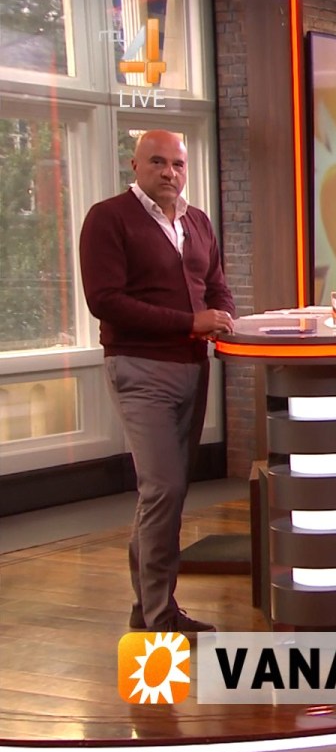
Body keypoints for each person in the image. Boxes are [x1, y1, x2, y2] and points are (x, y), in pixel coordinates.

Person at [78, 130, 235, 633]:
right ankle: (158, 616)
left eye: (178, 164)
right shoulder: (108, 218)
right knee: (163, 488)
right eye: (158, 162)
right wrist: (190, 322)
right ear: (136, 165)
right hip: (139, 366)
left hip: (193, 367)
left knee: (165, 492)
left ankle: (148, 607)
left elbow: (216, 286)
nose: (170, 172)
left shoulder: (197, 221)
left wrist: (222, 317)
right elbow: (105, 301)